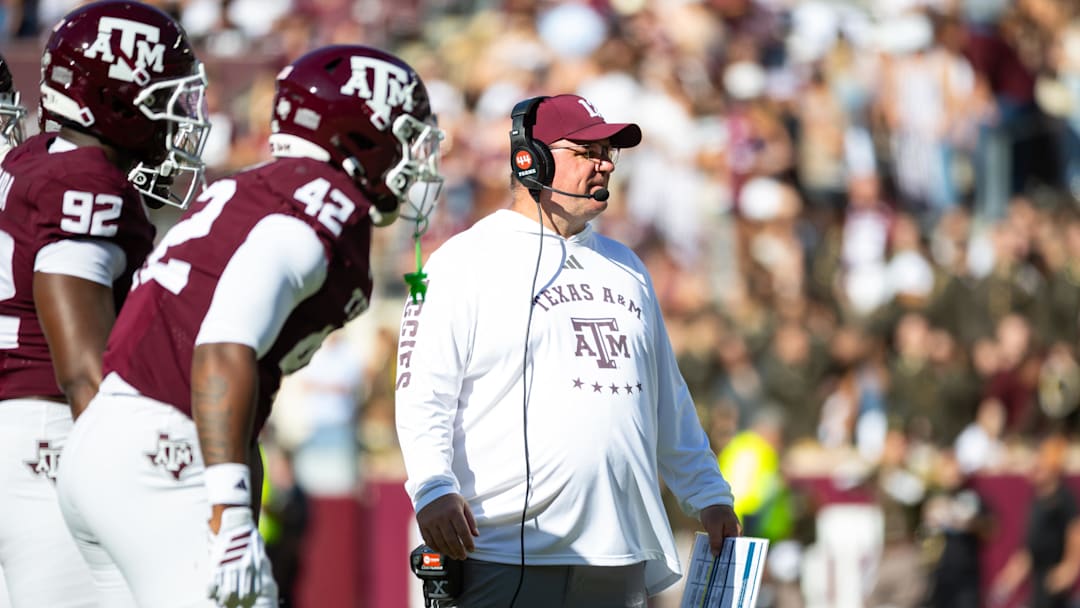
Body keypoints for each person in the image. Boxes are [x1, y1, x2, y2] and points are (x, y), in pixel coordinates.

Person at [55, 44, 444, 608]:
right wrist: (231, 513)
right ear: (361, 134)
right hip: (164, 446)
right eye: (404, 137)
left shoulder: (255, 187)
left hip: (106, 441)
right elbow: (222, 345)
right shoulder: (324, 202)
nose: (412, 160)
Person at [395, 93, 740, 607]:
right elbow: (423, 390)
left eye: (609, 152)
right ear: (529, 158)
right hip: (508, 550)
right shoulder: (463, 261)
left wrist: (708, 494)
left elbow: (667, 397)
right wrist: (431, 486)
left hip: (620, 553)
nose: (604, 164)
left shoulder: (628, 267)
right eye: (586, 150)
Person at [0, 2, 210, 607]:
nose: (179, 123)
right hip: (51, 443)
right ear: (120, 101)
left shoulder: (36, 159)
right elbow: (82, 365)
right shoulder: (86, 183)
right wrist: (132, 482)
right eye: (167, 100)